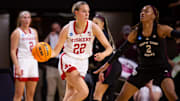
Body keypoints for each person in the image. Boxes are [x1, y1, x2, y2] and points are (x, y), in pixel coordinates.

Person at [94, 5, 180, 101]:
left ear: (154, 16)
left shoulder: (161, 29)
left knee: (171, 95)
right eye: (142, 11)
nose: (142, 13)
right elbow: (120, 50)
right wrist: (108, 63)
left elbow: (177, 34)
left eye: (147, 11)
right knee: (121, 98)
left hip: (161, 68)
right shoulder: (135, 33)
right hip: (143, 69)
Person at [50, 1, 113, 101]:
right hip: (69, 60)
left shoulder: (93, 27)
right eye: (84, 11)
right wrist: (46, 54)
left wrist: (103, 54)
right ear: (76, 13)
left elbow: (109, 48)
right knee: (84, 91)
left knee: (71, 93)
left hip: (83, 62)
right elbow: (56, 51)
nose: (87, 14)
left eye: (88, 11)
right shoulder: (67, 29)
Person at [91, 14, 121, 101]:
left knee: (97, 95)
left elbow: (110, 52)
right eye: (92, 24)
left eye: (96, 23)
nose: (93, 26)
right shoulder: (97, 36)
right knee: (107, 97)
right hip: (111, 67)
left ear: (103, 24)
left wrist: (102, 71)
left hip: (110, 66)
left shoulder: (102, 35)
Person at [10, 11, 39, 101]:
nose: (26, 19)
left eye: (28, 17)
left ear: (31, 19)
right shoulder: (17, 32)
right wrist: (17, 67)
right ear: (20, 19)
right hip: (22, 62)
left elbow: (37, 48)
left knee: (30, 96)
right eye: (24, 17)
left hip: (33, 63)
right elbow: (12, 51)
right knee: (18, 96)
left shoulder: (34, 32)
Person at [44, 22, 65, 101]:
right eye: (54, 29)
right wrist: (49, 36)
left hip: (62, 68)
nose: (56, 31)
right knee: (50, 92)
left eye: (57, 29)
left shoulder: (64, 37)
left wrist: (61, 34)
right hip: (51, 68)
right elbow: (42, 46)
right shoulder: (50, 37)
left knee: (63, 92)